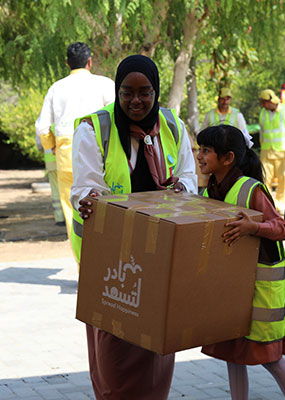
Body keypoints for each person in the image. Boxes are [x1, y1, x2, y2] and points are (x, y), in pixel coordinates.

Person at [71, 54, 197, 399]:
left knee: (156, 347)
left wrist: (180, 191)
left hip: (159, 255)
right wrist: (90, 199)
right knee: (114, 348)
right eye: (127, 93)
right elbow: (84, 186)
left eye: (145, 93)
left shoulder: (172, 126)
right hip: (111, 260)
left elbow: (188, 177)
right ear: (117, 91)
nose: (136, 101)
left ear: (156, 91)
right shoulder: (93, 128)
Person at [197, 125, 285, 400]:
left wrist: (253, 227)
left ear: (227, 158)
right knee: (232, 354)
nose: (199, 156)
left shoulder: (250, 189)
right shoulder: (210, 190)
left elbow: (282, 228)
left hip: (258, 290)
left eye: (206, 151)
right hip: (230, 287)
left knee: (270, 357)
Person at [35, 42, 115, 245]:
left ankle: (80, 261)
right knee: (105, 207)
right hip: (101, 155)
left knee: (73, 211)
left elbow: (42, 127)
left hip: (66, 156)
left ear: (67, 63)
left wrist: (52, 146)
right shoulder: (105, 84)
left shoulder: (56, 88)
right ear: (90, 61)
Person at [196, 88, 249, 191]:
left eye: (227, 99)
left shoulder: (237, 115)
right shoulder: (210, 115)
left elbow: (245, 137)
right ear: (218, 99)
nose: (225, 102)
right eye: (222, 99)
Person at [258, 89, 285, 212]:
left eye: (264, 102)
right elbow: (262, 133)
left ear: (270, 101)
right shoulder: (263, 113)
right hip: (266, 152)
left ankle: (281, 205)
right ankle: (268, 205)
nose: (262, 105)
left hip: (283, 153)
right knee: (264, 179)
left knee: (284, 179)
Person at [36, 125, 65, 226]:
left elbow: (39, 145)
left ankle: (59, 218)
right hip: (65, 161)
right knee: (67, 188)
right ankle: (69, 217)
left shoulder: (44, 123)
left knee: (55, 189)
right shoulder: (63, 121)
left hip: (51, 162)